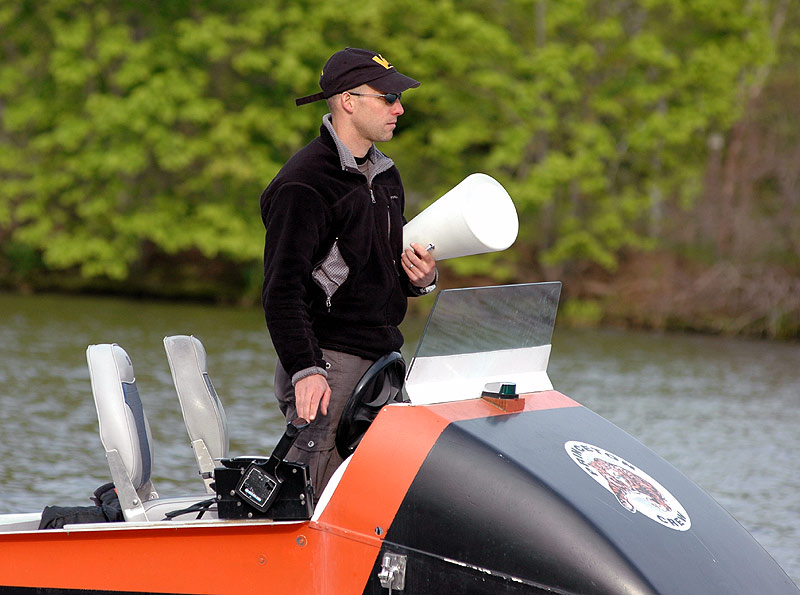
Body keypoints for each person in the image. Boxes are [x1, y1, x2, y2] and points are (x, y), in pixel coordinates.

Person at [260, 48, 437, 498]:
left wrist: (419, 281)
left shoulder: (387, 177)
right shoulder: (303, 184)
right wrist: (305, 369)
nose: (400, 108)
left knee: (378, 503)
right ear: (347, 100)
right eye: (388, 97)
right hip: (327, 367)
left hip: (384, 365)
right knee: (309, 504)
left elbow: (369, 275)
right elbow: (282, 291)